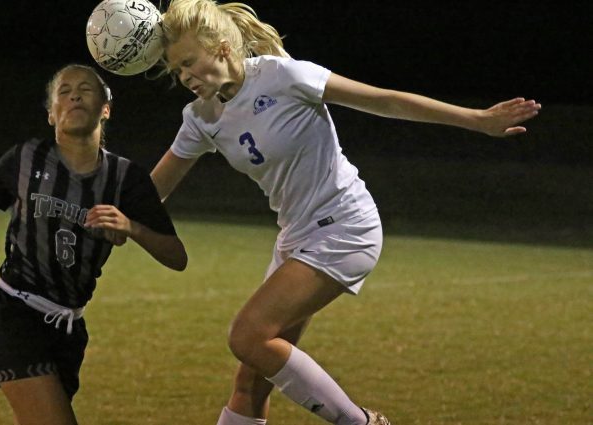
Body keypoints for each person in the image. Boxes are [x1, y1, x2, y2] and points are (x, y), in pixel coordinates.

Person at [150, 1, 541, 424]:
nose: (185, 76)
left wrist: (478, 120)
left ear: (223, 48)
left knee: (248, 336)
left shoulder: (284, 76)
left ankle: (362, 422)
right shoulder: (201, 117)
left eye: (189, 62)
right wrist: (101, 216)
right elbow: (152, 192)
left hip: (345, 226)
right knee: (250, 383)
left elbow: (386, 101)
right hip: (296, 237)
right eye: (177, 71)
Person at [0, 64, 187, 425]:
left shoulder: (126, 178)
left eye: (86, 89)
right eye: (64, 91)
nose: (75, 95)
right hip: (13, 315)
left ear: (106, 108)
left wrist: (133, 228)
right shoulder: (25, 159)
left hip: (68, 329)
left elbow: (177, 257)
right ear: (52, 114)